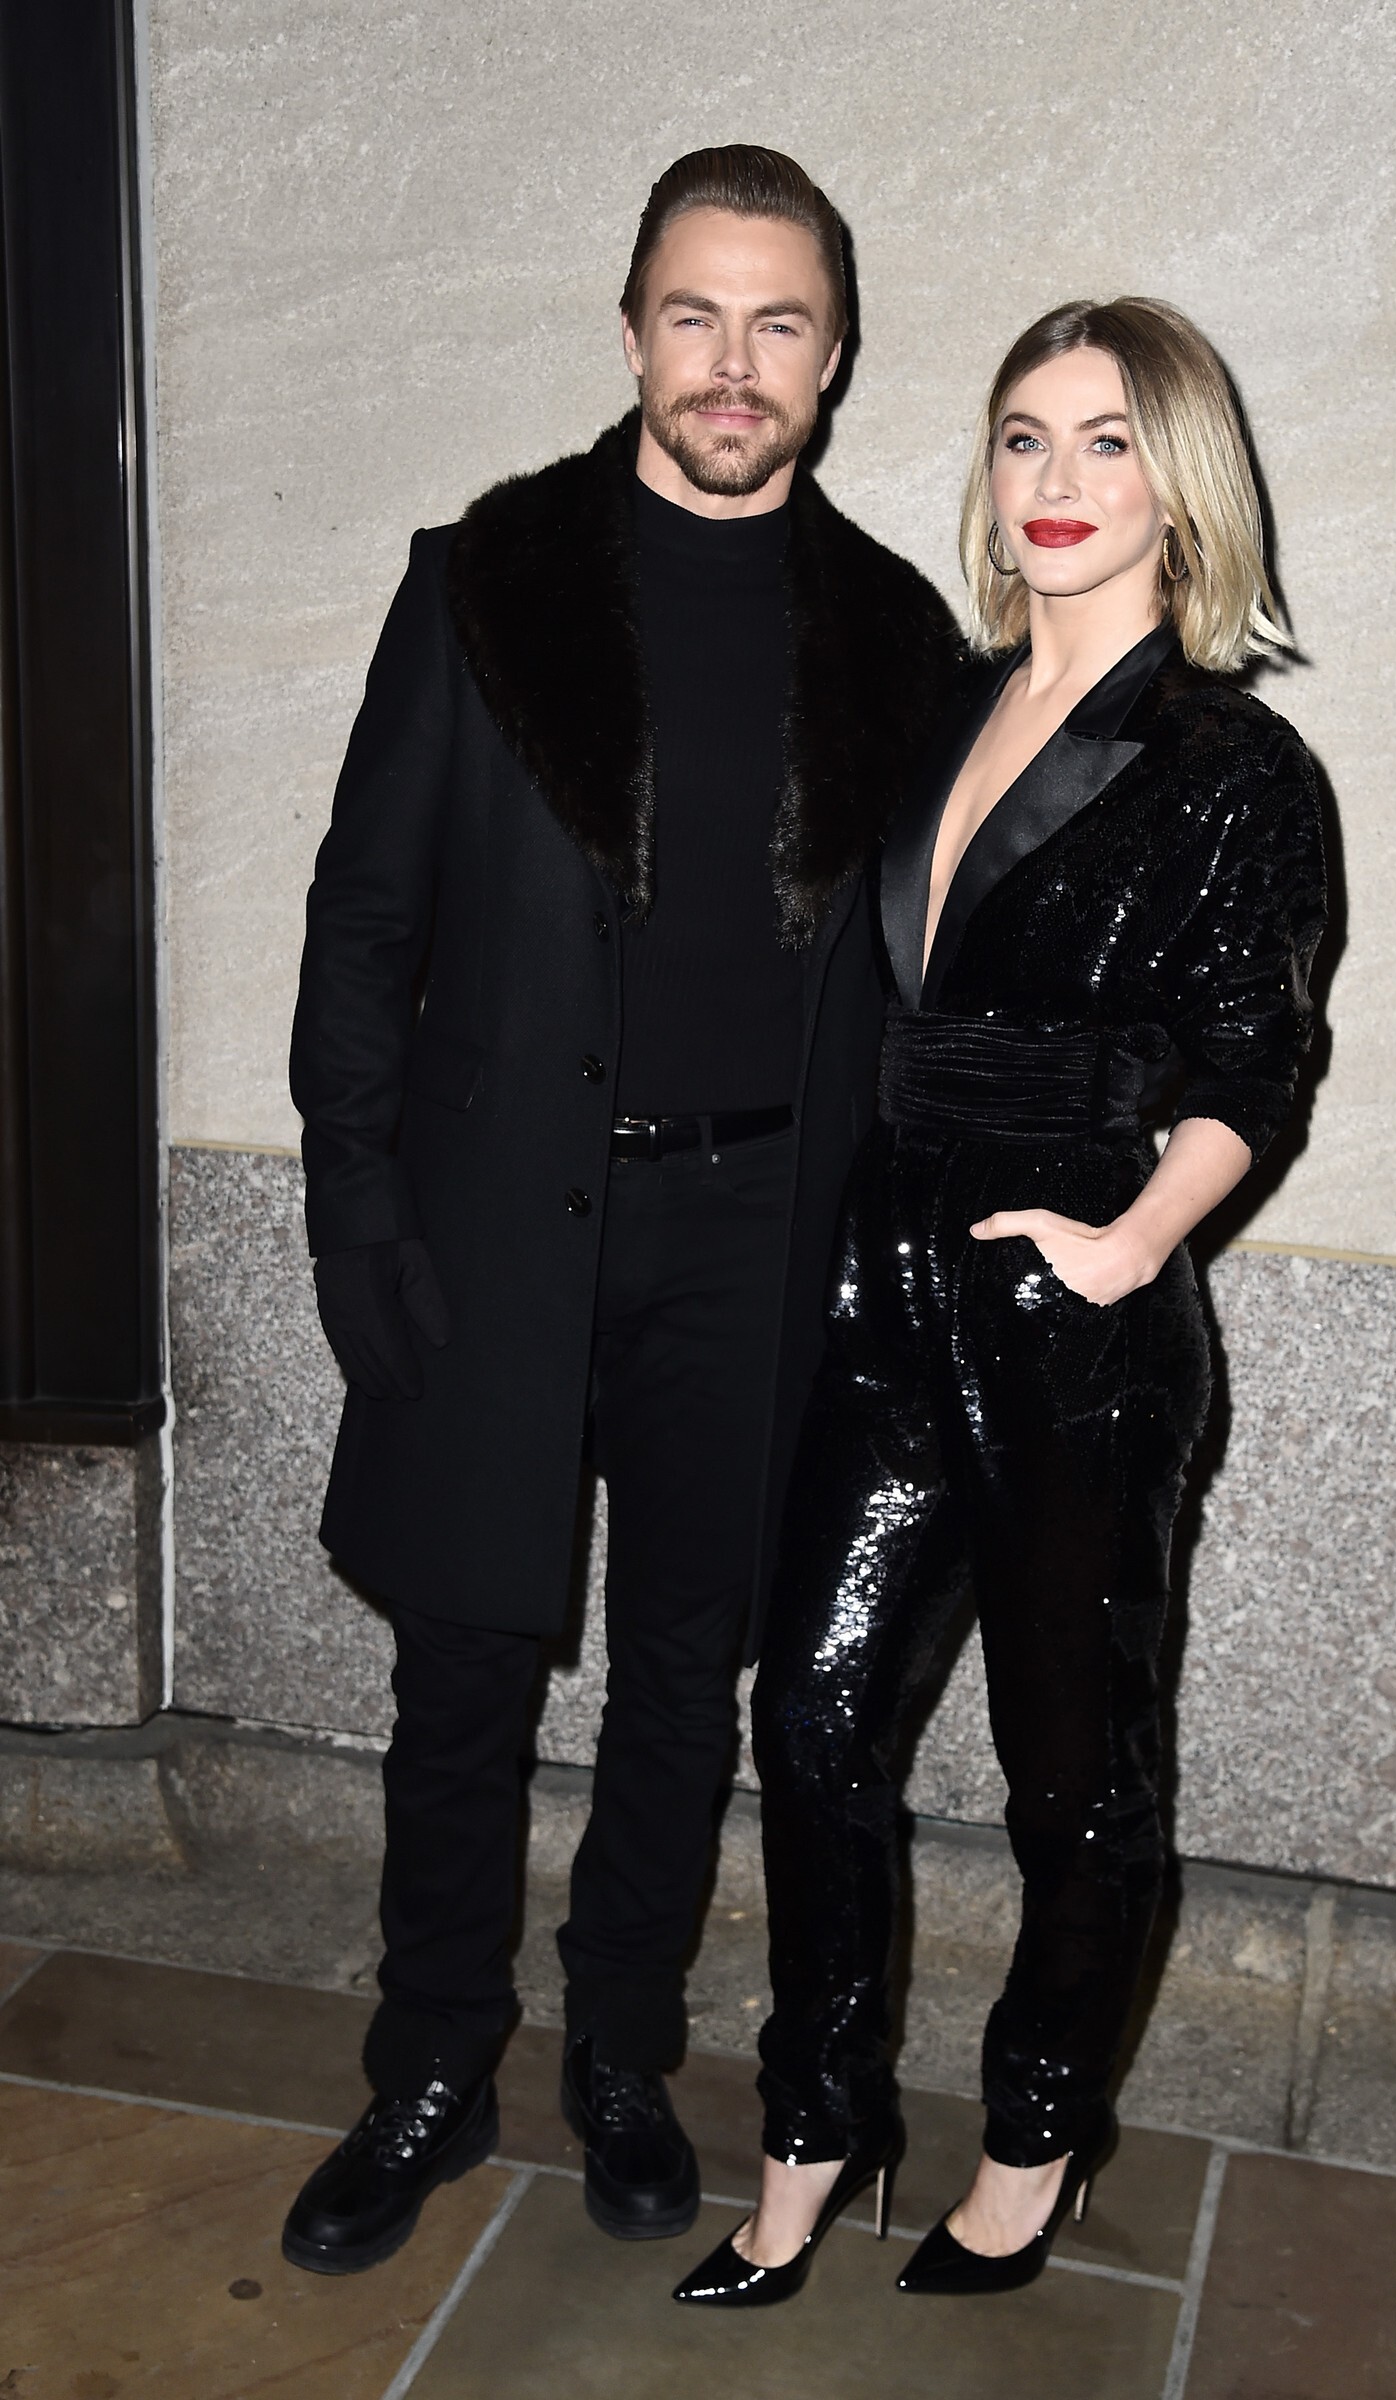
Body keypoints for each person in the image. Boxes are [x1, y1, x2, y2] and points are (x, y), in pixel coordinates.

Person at [281, 146, 958, 2276]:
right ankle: (425, 2067)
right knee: (463, 1671)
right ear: (634, 328)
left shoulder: (894, 639)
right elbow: (360, 926)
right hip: (495, 1228)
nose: (732, 363)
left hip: (755, 1240)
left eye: (778, 322)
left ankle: (618, 2056)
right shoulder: (483, 584)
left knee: (688, 1671)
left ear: (832, 356)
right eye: (695, 315)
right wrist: (355, 1223)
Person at [675, 296, 1327, 2308]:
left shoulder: (1229, 764)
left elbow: (1257, 1059)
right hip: (879, 1283)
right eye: (1024, 437)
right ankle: (814, 2124)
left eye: (1107, 440)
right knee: (812, 1719)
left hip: (1075, 1324)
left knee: (1076, 1779)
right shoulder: (935, 715)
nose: (1056, 479)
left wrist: (1129, 1244)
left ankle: (1032, 2141)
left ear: (1180, 485)